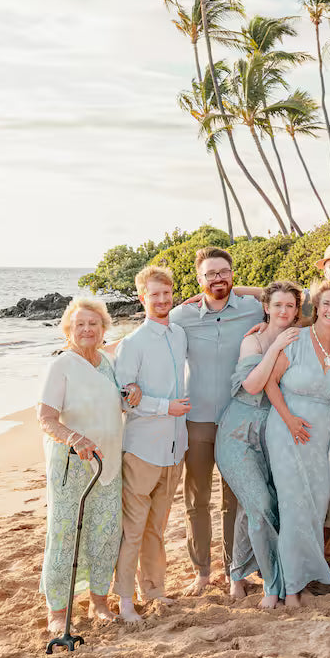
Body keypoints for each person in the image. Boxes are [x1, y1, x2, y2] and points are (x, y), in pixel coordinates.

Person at [170, 247, 263, 594]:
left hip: (237, 420)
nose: (218, 278)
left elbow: (298, 298)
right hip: (196, 422)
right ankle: (202, 572)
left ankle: (233, 569)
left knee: (233, 500)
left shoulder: (254, 308)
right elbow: (151, 333)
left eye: (224, 271)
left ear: (233, 274)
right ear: (199, 279)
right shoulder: (183, 316)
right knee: (196, 500)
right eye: (210, 274)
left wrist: (245, 291)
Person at [37, 295, 125, 635]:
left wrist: (130, 394)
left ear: (103, 328)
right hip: (71, 465)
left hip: (108, 462)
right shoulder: (60, 365)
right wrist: (75, 438)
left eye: (93, 324)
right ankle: (58, 611)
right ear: (68, 330)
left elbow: (116, 399)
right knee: (64, 536)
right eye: (80, 325)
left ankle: (99, 602)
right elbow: (45, 418)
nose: (87, 330)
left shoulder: (106, 361)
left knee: (104, 533)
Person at [264, 279, 330, 608]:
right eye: (326, 304)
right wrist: (288, 419)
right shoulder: (297, 339)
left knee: (315, 508)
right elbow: (271, 383)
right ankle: (290, 590)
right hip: (287, 429)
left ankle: (307, 577)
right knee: (292, 507)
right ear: (317, 307)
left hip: (325, 439)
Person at [215, 281, 303, 609]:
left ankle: (237, 573)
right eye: (276, 304)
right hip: (237, 432)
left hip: (271, 433)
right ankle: (272, 585)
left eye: (290, 306)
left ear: (297, 310)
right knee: (261, 503)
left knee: (252, 507)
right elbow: (252, 386)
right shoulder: (252, 341)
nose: (283, 311)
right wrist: (275, 346)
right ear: (266, 307)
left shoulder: (299, 335)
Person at [113, 266, 190, 623]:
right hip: (142, 449)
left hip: (175, 449)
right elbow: (126, 397)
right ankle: (125, 599)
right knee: (133, 529)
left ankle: (154, 589)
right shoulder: (132, 344)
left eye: (166, 293)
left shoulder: (178, 334)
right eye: (153, 295)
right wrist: (165, 407)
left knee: (156, 528)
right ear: (142, 298)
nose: (161, 300)